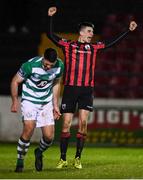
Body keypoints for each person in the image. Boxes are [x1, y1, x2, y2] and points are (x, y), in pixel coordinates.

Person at [47, 7, 137, 169]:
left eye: (91, 32)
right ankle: (63, 158)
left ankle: (78, 158)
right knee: (66, 124)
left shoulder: (94, 48)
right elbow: (51, 35)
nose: (91, 34)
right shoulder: (68, 45)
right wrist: (50, 18)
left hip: (86, 91)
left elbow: (112, 43)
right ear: (81, 33)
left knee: (83, 123)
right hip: (70, 89)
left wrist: (127, 31)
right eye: (89, 31)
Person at [11, 48, 64, 172]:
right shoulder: (30, 65)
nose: (47, 67)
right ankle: (20, 162)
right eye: (46, 64)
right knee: (29, 128)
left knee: (49, 137)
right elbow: (15, 81)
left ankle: (39, 152)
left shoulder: (60, 66)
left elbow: (56, 83)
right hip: (29, 100)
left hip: (45, 103)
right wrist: (14, 101)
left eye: (51, 65)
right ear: (42, 57)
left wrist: (55, 105)